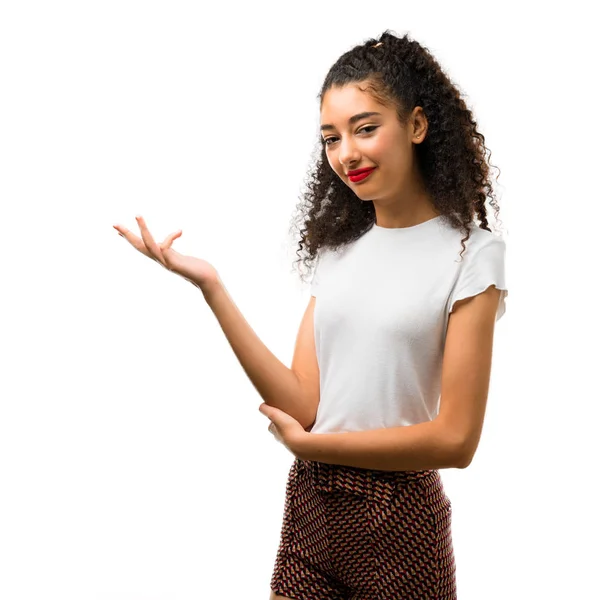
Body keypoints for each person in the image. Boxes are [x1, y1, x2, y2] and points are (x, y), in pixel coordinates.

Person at [114, 29, 508, 600]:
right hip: (310, 507)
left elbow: (457, 440)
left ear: (417, 126)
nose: (346, 152)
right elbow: (304, 405)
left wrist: (314, 445)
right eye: (331, 137)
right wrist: (211, 287)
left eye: (365, 128)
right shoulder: (339, 250)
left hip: (399, 521)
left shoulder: (472, 254)